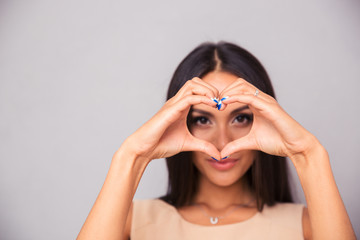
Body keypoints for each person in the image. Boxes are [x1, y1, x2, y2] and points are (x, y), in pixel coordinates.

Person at [77, 42, 356, 240]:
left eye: (240, 118)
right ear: (180, 122)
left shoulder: (308, 226)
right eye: (202, 120)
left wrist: (309, 153)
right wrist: (132, 156)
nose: (222, 141)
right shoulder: (131, 222)